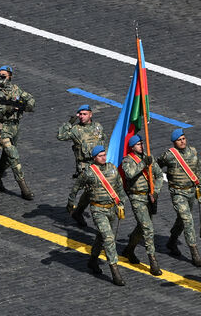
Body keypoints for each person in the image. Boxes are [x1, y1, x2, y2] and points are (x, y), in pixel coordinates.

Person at [67, 145, 127, 286]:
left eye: (104, 155)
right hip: (98, 210)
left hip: (111, 209)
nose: (103, 158)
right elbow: (76, 187)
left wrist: (121, 203)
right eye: (100, 156)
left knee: (101, 237)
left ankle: (93, 261)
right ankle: (115, 271)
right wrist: (70, 202)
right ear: (94, 158)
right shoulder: (89, 173)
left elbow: (119, 186)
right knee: (109, 239)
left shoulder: (112, 169)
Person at [0, 66, 36, 200]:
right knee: (13, 155)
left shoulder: (16, 89)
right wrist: (9, 108)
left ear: (10, 76)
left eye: (3, 76)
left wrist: (24, 106)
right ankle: (24, 188)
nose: (0, 78)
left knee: (6, 157)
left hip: (15, 127)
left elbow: (30, 99)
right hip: (2, 127)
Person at [158, 128, 201, 267]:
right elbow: (156, 167)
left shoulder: (193, 152)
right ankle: (194, 253)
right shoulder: (169, 156)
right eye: (179, 140)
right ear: (174, 142)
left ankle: (172, 241)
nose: (182, 141)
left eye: (183, 139)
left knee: (181, 220)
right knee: (188, 220)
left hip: (191, 192)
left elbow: (198, 170)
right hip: (178, 193)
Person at [57, 104, 106, 226]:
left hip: (98, 164)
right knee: (94, 191)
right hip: (85, 166)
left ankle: (78, 212)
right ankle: (100, 218)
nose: (82, 116)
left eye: (85, 114)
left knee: (90, 192)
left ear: (91, 114)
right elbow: (60, 136)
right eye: (80, 114)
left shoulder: (98, 127)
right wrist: (69, 123)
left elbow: (103, 142)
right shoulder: (76, 130)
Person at [121, 135, 163, 276]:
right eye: (138, 144)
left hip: (149, 197)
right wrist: (143, 164)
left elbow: (159, 175)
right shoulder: (127, 160)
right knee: (148, 229)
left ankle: (129, 249)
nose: (141, 146)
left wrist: (156, 192)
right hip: (137, 198)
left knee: (141, 227)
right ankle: (153, 262)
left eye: (142, 143)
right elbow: (129, 174)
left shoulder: (148, 157)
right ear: (132, 147)